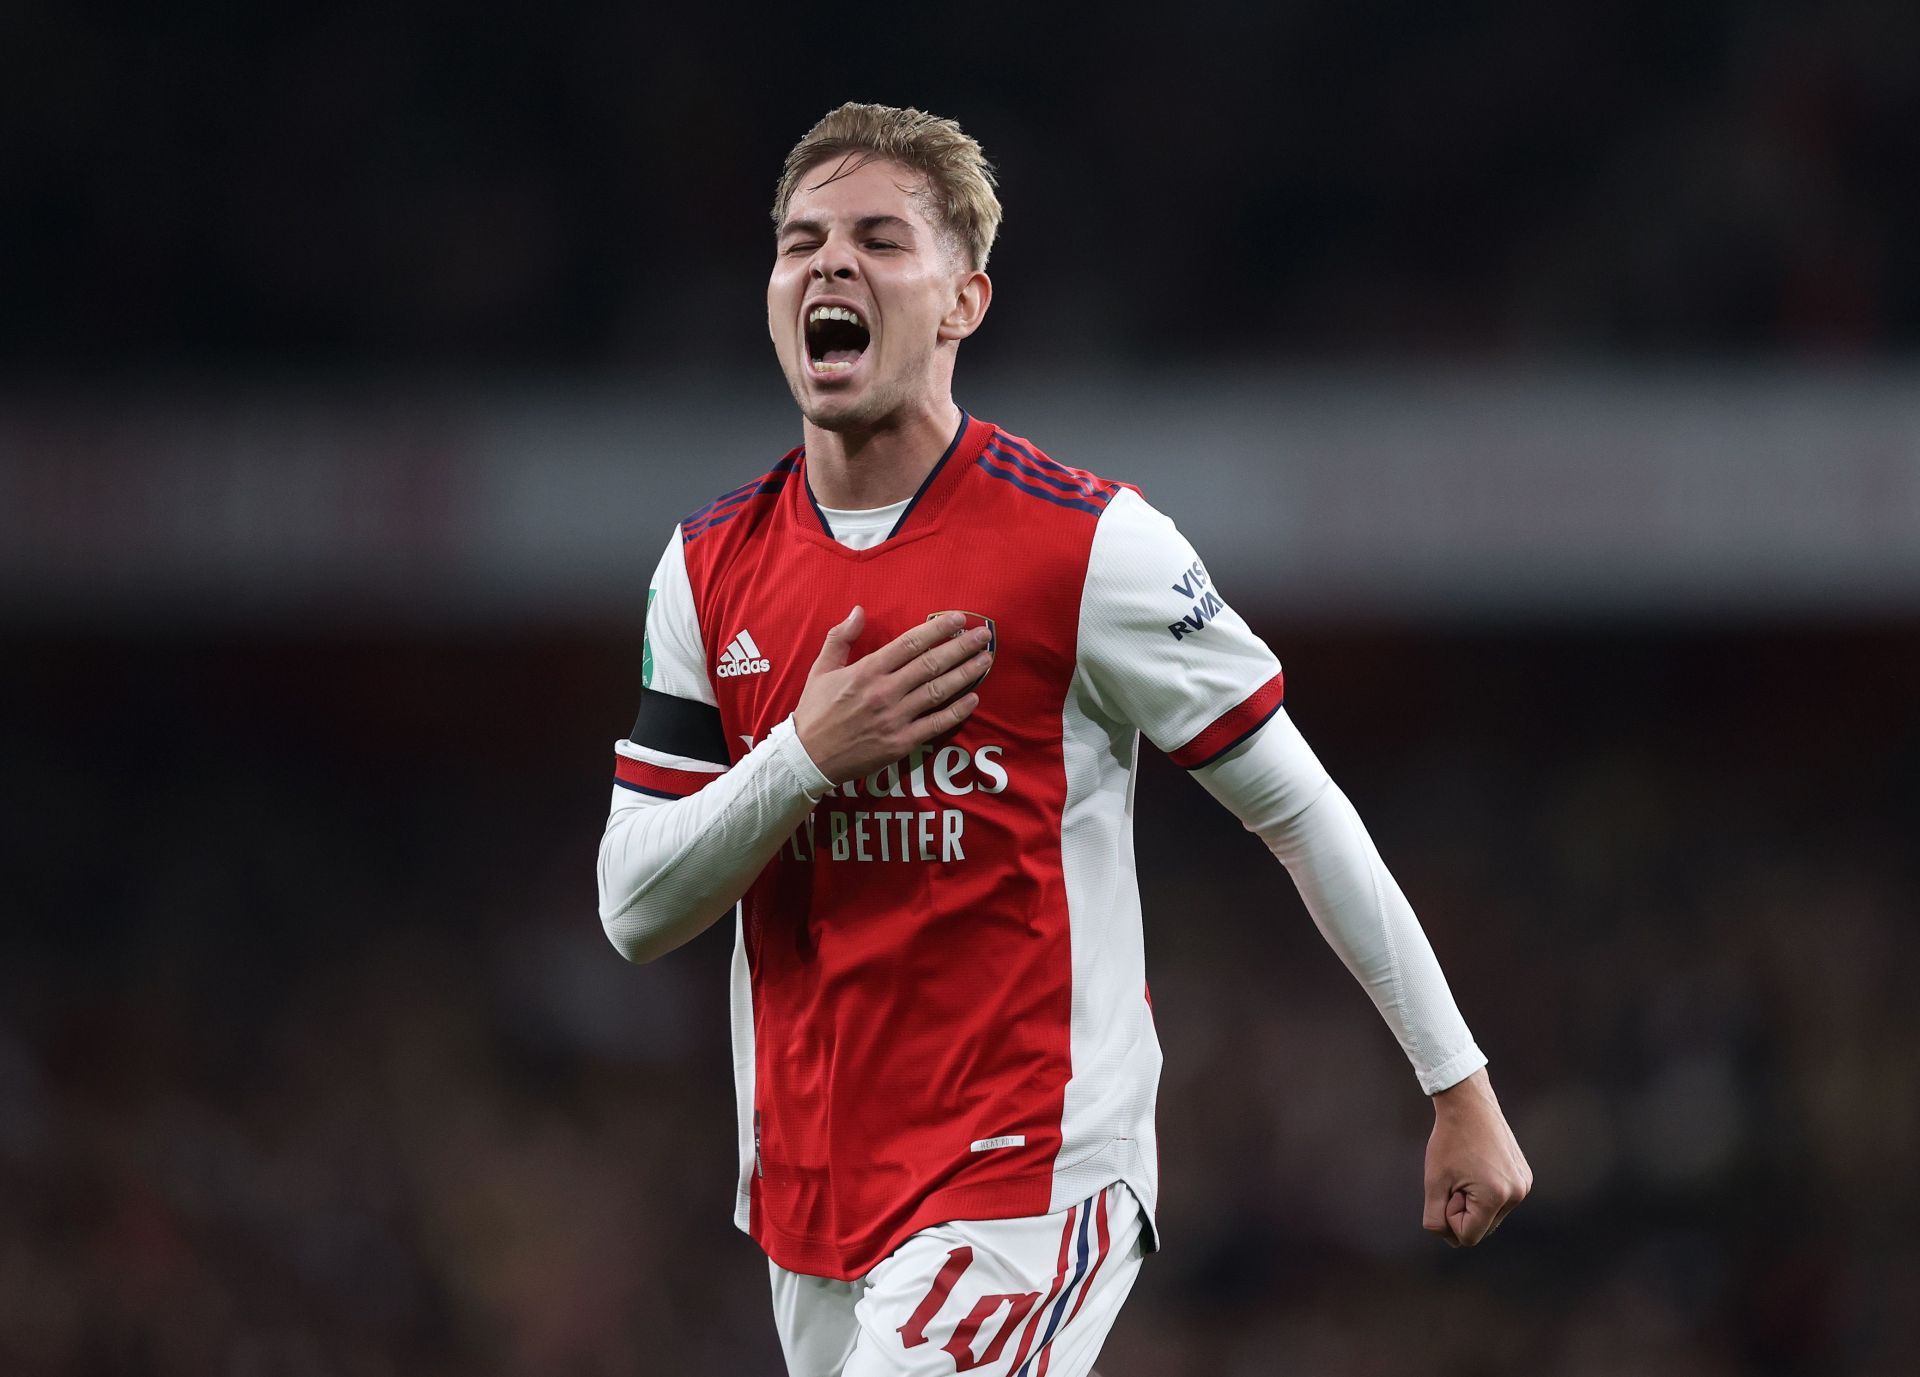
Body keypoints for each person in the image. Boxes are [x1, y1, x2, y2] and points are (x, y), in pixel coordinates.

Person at [597, 102, 1531, 1377]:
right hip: (810, 1191)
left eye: (879, 240)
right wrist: (807, 755)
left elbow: (1298, 808)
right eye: (801, 240)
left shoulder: (1089, 547)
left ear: (963, 302)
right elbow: (634, 906)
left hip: (1029, 1174)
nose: (829, 265)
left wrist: (1457, 1083)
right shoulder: (708, 567)